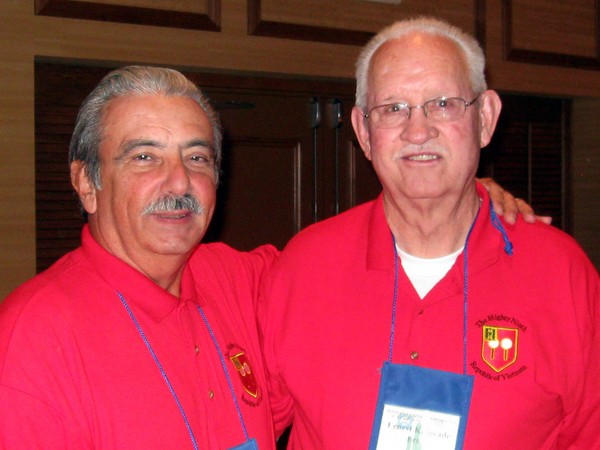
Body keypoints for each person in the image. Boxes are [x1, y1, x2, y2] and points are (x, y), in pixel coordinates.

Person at [259, 17, 600, 450]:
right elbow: (241, 419)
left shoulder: (561, 274)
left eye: (443, 104)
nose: (417, 131)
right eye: (394, 109)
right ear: (364, 132)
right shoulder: (304, 266)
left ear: (486, 119)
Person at [0, 66, 279, 450]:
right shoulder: (32, 341)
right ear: (87, 183)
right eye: (145, 156)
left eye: (197, 157)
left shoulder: (235, 277)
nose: (180, 181)